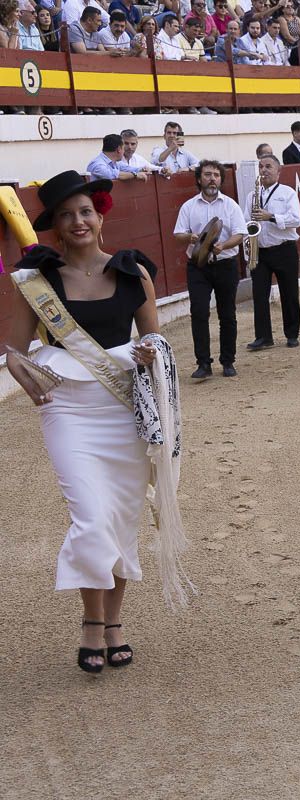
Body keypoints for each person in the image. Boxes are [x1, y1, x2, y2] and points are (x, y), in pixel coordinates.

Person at [4, 171, 166, 674]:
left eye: (85, 212)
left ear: (100, 217)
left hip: (124, 412)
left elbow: (158, 343)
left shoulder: (133, 272)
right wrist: (15, 362)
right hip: (68, 408)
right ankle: (90, 623)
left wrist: (148, 354)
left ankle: (111, 623)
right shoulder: (38, 282)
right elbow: (13, 347)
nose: (78, 221)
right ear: (54, 226)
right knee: (91, 517)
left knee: (120, 519)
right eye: (66, 215)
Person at [173, 160, 248, 380]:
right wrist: (190, 237)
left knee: (227, 314)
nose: (212, 178)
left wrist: (223, 245)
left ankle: (228, 361)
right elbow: (178, 235)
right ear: (199, 179)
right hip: (198, 266)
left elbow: (240, 233)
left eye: (216, 175)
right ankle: (203, 363)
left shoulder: (230, 204)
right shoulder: (189, 206)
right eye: (207, 174)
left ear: (221, 180)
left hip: (225, 264)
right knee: (198, 312)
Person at [243, 154, 300, 352]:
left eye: (268, 166)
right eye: (261, 167)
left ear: (278, 170)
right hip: (260, 251)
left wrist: (271, 217)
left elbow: (295, 219)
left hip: (284, 249)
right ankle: (263, 337)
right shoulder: (252, 196)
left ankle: (292, 334)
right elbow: (246, 223)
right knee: (259, 295)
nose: (264, 170)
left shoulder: (287, 193)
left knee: (289, 293)